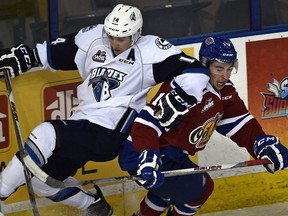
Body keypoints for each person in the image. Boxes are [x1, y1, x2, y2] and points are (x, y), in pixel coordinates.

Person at [0, 4, 210, 216]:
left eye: (122, 38)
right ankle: (94, 205)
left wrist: (179, 97)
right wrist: (26, 57)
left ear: (136, 33)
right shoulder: (93, 37)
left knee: (46, 132)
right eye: (111, 36)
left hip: (111, 131)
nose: (115, 43)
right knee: (43, 182)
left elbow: (196, 71)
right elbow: (51, 52)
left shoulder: (150, 50)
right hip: (83, 123)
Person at [118, 36, 288, 216]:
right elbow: (146, 123)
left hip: (172, 156)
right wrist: (148, 155)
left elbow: (242, 125)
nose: (225, 75)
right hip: (142, 153)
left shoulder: (226, 92)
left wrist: (262, 143)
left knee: (171, 192)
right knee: (201, 190)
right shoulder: (187, 86)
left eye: (230, 68)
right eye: (219, 68)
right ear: (205, 65)